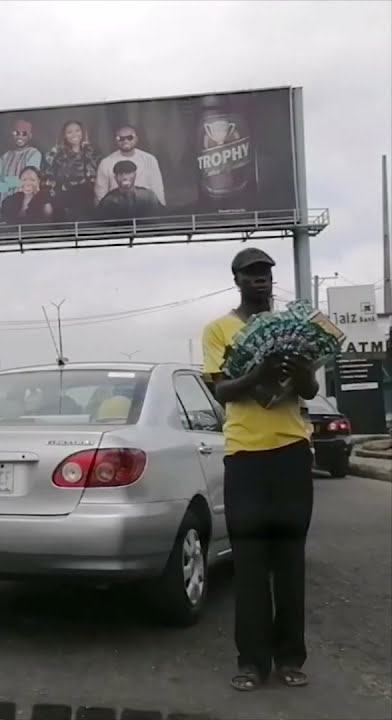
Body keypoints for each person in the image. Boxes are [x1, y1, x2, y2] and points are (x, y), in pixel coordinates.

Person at [201, 247, 316, 693]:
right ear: (237, 281)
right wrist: (258, 373)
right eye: (251, 273)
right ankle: (251, 662)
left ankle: (290, 657)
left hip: (291, 454)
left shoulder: (293, 329)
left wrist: (300, 370)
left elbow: (309, 390)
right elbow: (222, 391)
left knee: (289, 561)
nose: (260, 279)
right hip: (245, 457)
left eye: (265, 272)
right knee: (249, 563)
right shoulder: (218, 330)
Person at [41, 120, 100, 221]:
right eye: (69, 132)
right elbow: (48, 179)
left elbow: (98, 178)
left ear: (82, 132)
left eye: (77, 130)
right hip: (65, 200)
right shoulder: (57, 156)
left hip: (89, 199)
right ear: (64, 136)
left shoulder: (92, 153)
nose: (74, 135)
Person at [94, 124, 167, 205]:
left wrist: (160, 209)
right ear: (115, 140)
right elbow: (100, 193)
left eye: (130, 137)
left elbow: (157, 188)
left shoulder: (150, 159)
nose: (125, 141)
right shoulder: (106, 163)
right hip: (116, 207)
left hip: (146, 206)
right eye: (121, 138)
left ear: (136, 138)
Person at [0, 119, 44, 208]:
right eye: (16, 133)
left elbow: (29, 181)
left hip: (26, 208)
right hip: (6, 207)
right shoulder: (5, 156)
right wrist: (8, 186)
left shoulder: (34, 154)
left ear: (30, 136)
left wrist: (4, 180)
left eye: (24, 133)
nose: (19, 136)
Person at [96, 160, 165, 219]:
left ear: (135, 175)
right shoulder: (109, 200)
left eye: (128, 173)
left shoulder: (148, 196)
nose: (125, 177)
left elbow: (160, 219)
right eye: (120, 174)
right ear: (115, 177)